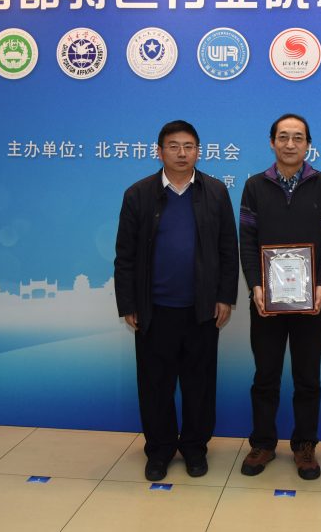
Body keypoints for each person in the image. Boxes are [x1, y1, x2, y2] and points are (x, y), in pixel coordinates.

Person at [113, 120, 239, 482]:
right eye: (173, 146)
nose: (182, 153)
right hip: (154, 310)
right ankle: (160, 450)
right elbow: (125, 255)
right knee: (156, 386)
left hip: (201, 309)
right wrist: (129, 304)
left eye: (188, 146)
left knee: (200, 384)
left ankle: (195, 448)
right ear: (159, 151)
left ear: (199, 151)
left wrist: (225, 297)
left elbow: (228, 250)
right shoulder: (138, 194)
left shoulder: (215, 192)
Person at [238, 114, 321, 480]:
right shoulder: (254, 186)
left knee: (307, 378)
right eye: (283, 137)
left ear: (308, 144)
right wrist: (255, 285)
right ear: (272, 142)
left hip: (310, 301)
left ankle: (304, 445)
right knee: (265, 376)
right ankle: (263, 443)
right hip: (265, 301)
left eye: (298, 137)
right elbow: (247, 241)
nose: (290, 144)